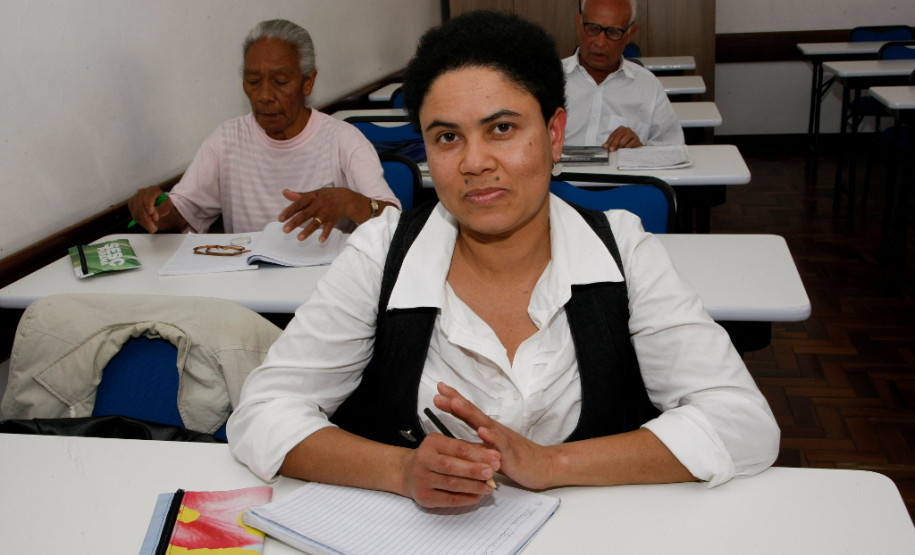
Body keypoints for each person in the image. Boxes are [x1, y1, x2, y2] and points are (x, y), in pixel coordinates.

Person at [228, 11, 778, 509]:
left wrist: (551, 464)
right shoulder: (382, 255)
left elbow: (742, 424)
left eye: (503, 128)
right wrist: (400, 469)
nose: (474, 162)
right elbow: (263, 413)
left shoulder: (622, 251)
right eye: (447, 137)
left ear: (555, 134)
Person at [127, 19, 400, 242]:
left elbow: (394, 220)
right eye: (253, 81)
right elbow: (181, 213)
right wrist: (154, 209)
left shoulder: (343, 140)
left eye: (280, 82)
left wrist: (347, 201)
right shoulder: (227, 140)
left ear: (308, 82)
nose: (265, 95)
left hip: (325, 287)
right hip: (248, 290)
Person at [563, 0, 684, 150]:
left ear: (630, 34)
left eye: (613, 32)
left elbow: (673, 150)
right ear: (579, 24)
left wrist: (640, 151)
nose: (600, 42)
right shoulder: (547, 78)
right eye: (592, 29)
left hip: (623, 173)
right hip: (558, 173)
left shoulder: (648, 87)